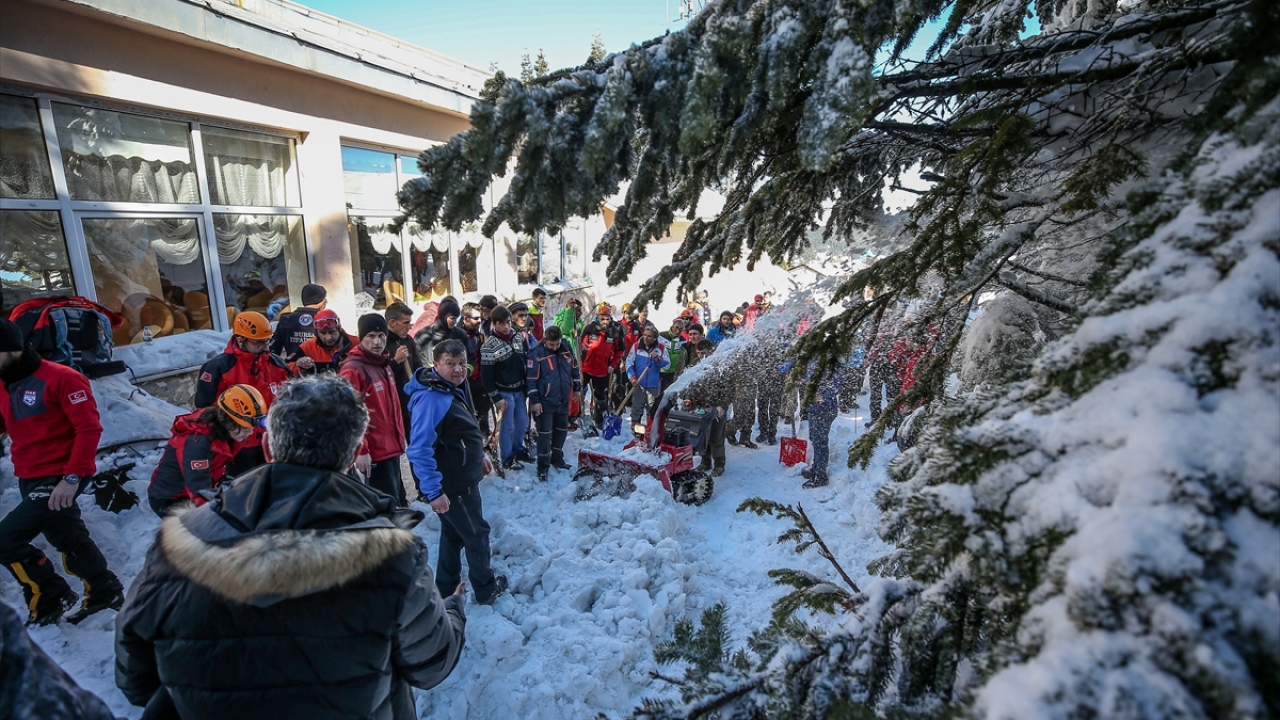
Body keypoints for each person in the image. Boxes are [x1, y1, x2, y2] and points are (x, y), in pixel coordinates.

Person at [116, 374, 467, 719]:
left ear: (268, 447)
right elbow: (430, 666)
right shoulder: (394, 555)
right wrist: (453, 610)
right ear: (349, 458)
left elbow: (134, 678)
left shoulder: (178, 544)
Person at [0, 318, 125, 626]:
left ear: (11, 349)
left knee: (6, 540)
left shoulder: (62, 378)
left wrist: (71, 479)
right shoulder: (5, 382)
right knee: (68, 537)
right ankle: (104, 590)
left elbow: (89, 429)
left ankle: (51, 595)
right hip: (29, 473)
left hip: (61, 474)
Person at [405, 340, 508, 605]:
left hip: (462, 476)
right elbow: (418, 449)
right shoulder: (431, 398)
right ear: (435, 364)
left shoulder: (447, 388)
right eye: (450, 364)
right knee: (476, 534)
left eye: (462, 363)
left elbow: (460, 433)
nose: (458, 369)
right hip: (453, 485)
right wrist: (434, 491)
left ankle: (446, 588)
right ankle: (485, 590)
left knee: (453, 535)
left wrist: (479, 457)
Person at [194, 310, 294, 474]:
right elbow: (205, 409)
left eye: (268, 341)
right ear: (241, 340)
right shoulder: (218, 368)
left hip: (273, 442)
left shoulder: (277, 365)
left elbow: (292, 401)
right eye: (259, 343)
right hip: (237, 446)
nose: (266, 348)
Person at [147, 384, 265, 516]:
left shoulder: (228, 432)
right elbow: (199, 490)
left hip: (203, 484)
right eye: (245, 428)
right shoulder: (197, 442)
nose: (250, 433)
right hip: (171, 498)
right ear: (228, 420)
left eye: (252, 427)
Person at [340, 314, 408, 505]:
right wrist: (361, 449)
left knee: (398, 503)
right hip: (375, 451)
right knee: (384, 506)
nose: (377, 342)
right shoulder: (353, 370)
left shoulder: (382, 363)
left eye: (381, 335)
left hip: (391, 446)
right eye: (371, 336)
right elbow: (349, 414)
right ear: (361, 337)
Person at [480, 306, 534, 470]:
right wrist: (496, 397)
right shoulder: (489, 345)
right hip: (503, 391)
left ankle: (518, 449)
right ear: (494, 324)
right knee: (507, 426)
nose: (506, 327)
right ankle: (507, 457)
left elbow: (524, 360)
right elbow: (486, 376)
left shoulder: (518, 337)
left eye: (508, 322)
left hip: (519, 389)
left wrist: (527, 385)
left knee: (523, 422)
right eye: (502, 324)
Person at [526, 326, 582, 482]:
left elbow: (574, 368)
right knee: (545, 435)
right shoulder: (535, 353)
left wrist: (577, 387)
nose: (555, 347)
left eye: (557, 344)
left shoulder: (565, 346)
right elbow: (531, 381)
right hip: (544, 402)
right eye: (552, 345)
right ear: (545, 340)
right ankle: (542, 467)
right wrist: (535, 402)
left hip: (563, 399)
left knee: (561, 430)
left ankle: (557, 457)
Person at [679, 339, 728, 477]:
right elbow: (688, 382)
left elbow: (729, 388)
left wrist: (722, 405)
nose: (701, 356)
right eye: (699, 353)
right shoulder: (694, 363)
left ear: (711, 351)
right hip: (699, 405)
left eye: (704, 353)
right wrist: (687, 398)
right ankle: (705, 462)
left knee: (716, 436)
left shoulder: (721, 365)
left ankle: (719, 464)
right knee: (702, 435)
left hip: (716, 405)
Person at [579, 320, 621, 431]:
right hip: (586, 367)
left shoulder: (614, 332)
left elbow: (619, 350)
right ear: (598, 317)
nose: (605, 321)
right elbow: (582, 343)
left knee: (600, 397)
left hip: (602, 370)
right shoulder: (590, 329)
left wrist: (612, 365)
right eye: (602, 318)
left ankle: (598, 419)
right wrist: (584, 347)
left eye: (607, 319)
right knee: (578, 391)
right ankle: (577, 414)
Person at [625, 324, 669, 431]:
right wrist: (632, 379)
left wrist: (658, 360)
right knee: (637, 407)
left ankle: (651, 430)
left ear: (655, 338)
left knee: (652, 409)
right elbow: (629, 364)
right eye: (644, 334)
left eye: (649, 336)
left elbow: (667, 365)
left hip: (653, 385)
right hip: (639, 384)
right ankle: (635, 428)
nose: (646, 337)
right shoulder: (636, 346)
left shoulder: (661, 348)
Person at [458, 303, 493, 437]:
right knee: (468, 417)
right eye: (476, 318)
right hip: (465, 383)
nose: (479, 321)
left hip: (480, 381)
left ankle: (484, 446)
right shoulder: (458, 336)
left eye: (480, 318)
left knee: (483, 416)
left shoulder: (479, 335)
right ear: (466, 319)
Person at [269, 283, 327, 361]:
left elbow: (273, 350)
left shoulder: (286, 319)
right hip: (322, 370)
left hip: (293, 369)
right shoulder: (326, 321)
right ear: (321, 301)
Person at [292, 308, 357, 374]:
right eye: (323, 333)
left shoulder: (357, 344)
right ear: (317, 332)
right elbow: (287, 368)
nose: (328, 337)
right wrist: (299, 365)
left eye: (332, 332)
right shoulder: (307, 347)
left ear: (339, 328)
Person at [416, 297, 464, 367]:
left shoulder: (458, 333)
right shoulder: (428, 324)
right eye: (452, 317)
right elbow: (419, 357)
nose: (455, 321)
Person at [659, 318, 688, 395]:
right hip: (660, 371)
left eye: (681, 328)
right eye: (676, 327)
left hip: (673, 373)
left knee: (668, 395)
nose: (678, 330)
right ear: (672, 326)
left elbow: (683, 357)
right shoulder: (661, 336)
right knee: (658, 395)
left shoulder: (683, 341)